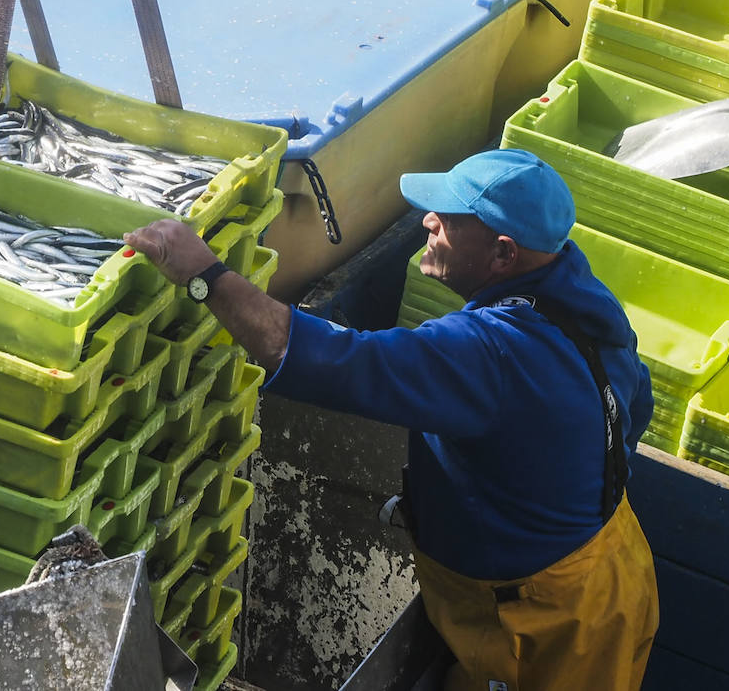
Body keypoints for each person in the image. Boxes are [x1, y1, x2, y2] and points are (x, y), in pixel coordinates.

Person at [124, 149, 659, 691]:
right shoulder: (582, 299)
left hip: (542, 623)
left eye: (448, 219)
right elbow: (636, 405)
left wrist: (203, 274)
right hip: (614, 562)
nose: (427, 221)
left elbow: (335, 361)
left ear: (502, 253)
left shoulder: (489, 353)